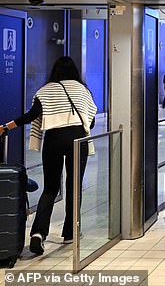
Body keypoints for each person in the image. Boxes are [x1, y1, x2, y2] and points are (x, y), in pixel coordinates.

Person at [0, 56, 97, 255]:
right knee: (74, 187)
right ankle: (70, 232)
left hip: (53, 139)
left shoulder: (45, 91)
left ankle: (38, 233)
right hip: (77, 139)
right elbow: (91, 121)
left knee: (51, 188)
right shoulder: (83, 90)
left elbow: (31, 115)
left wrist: (6, 126)